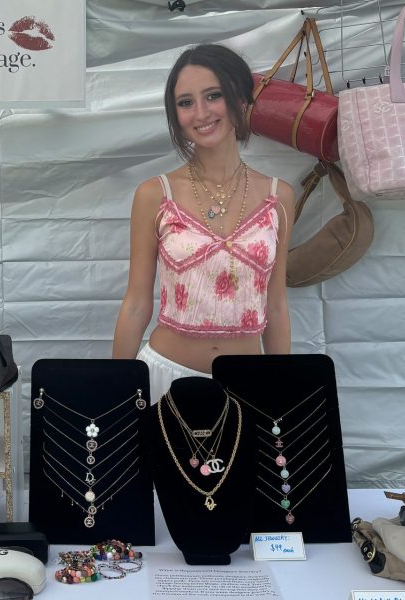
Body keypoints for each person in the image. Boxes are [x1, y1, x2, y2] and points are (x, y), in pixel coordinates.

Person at [112, 44, 294, 402]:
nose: (201, 113)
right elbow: (136, 303)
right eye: (185, 102)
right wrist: (116, 388)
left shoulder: (279, 196)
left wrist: (282, 390)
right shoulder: (154, 194)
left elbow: (275, 305)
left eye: (214, 95)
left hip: (249, 386)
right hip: (164, 379)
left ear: (241, 100)